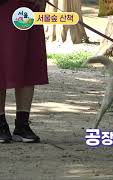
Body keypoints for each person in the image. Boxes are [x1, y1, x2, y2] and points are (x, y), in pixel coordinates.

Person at [0, 0, 48, 143]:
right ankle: (0, 123)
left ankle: (22, 124)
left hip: (29, 7)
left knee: (28, 62)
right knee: (2, 60)